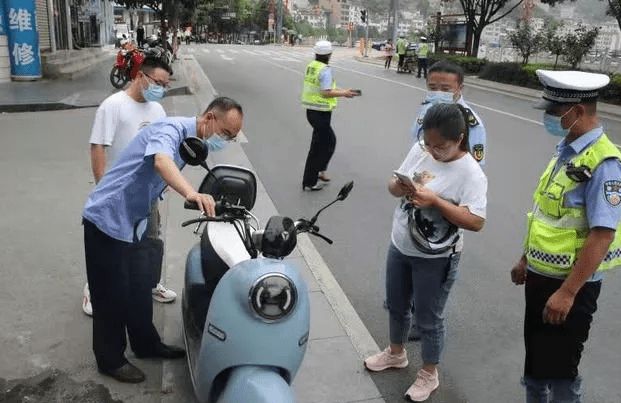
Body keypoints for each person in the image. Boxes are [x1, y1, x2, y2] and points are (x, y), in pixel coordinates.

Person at [82, 96, 243, 383]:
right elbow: (160, 160)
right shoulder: (170, 130)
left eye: (231, 138)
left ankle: (145, 344)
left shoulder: (190, 143)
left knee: (139, 286)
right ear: (209, 118)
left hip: (133, 220)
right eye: (226, 134)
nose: (225, 140)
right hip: (107, 217)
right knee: (111, 295)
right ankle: (110, 359)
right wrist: (191, 193)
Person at [364, 103, 487, 402]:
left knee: (429, 318)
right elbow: (394, 186)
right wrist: (400, 185)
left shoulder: (471, 173)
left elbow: (476, 221)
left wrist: (435, 202)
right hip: (401, 244)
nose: (432, 151)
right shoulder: (421, 149)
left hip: (436, 258)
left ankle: (429, 373)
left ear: (459, 138)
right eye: (428, 143)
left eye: (440, 146)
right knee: (396, 305)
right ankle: (396, 354)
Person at [511, 70, 621, 403]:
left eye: (554, 111)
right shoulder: (566, 150)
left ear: (578, 112)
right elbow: (547, 214)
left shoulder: (604, 162)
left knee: (560, 371)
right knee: (536, 364)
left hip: (570, 287)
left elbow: (602, 234)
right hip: (540, 279)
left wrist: (568, 293)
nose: (549, 117)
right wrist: (525, 259)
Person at [83, 57, 176, 317]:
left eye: (166, 85)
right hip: (117, 193)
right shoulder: (113, 106)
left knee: (150, 240)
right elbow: (98, 146)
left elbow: (162, 149)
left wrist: (163, 182)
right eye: (158, 82)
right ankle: (93, 288)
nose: (161, 88)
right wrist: (104, 190)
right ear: (140, 76)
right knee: (111, 244)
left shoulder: (157, 110)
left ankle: (149, 283)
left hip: (145, 191)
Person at [301, 40, 357, 191]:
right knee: (325, 144)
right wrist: (344, 93)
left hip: (312, 111)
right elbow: (325, 92)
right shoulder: (324, 69)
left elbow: (323, 87)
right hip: (320, 112)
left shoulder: (312, 66)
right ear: (329, 54)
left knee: (320, 144)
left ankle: (317, 173)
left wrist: (342, 90)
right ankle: (311, 180)